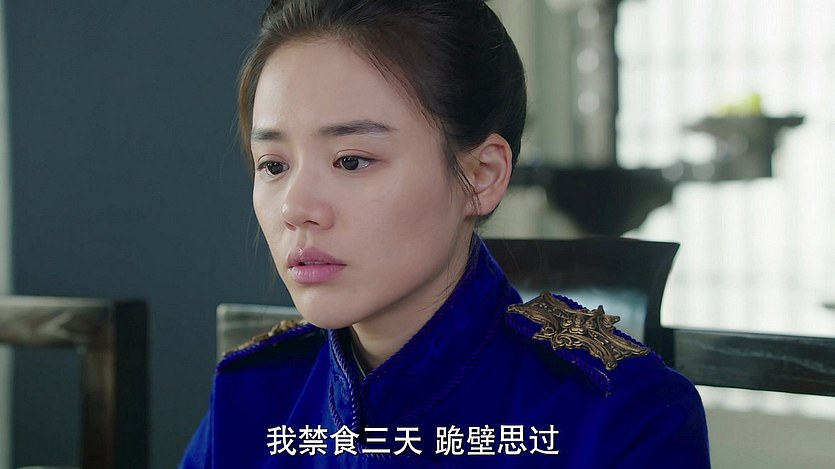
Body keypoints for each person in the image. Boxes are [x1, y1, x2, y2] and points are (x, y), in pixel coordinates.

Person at [180, 0, 710, 467]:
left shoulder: (618, 415)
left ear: (481, 176)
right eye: (273, 165)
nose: (296, 208)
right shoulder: (254, 399)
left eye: (352, 160)